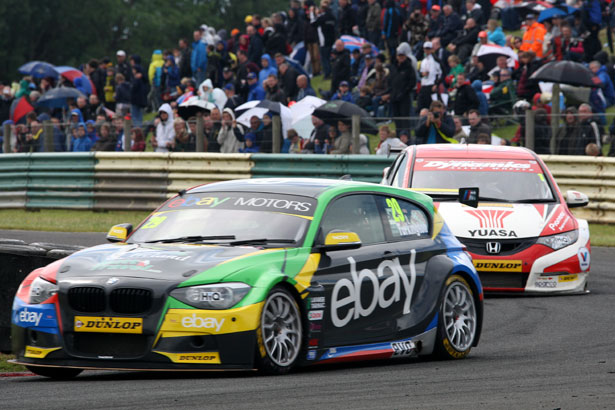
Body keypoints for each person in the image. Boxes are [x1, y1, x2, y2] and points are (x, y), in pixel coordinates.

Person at [390, 42, 416, 135]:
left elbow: (412, 82)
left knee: (405, 118)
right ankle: (398, 134)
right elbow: (391, 81)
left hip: (404, 97)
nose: (400, 58)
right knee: (397, 118)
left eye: (402, 56)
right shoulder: (394, 67)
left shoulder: (409, 68)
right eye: (399, 56)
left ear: (405, 56)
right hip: (394, 96)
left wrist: (404, 92)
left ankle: (406, 135)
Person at [418, 41, 442, 112]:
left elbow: (440, 73)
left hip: (431, 86)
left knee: (431, 107)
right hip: (424, 85)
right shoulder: (423, 61)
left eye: (428, 49)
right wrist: (422, 74)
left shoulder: (436, 60)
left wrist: (436, 84)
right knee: (421, 107)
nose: (426, 51)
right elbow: (420, 73)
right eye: (425, 49)